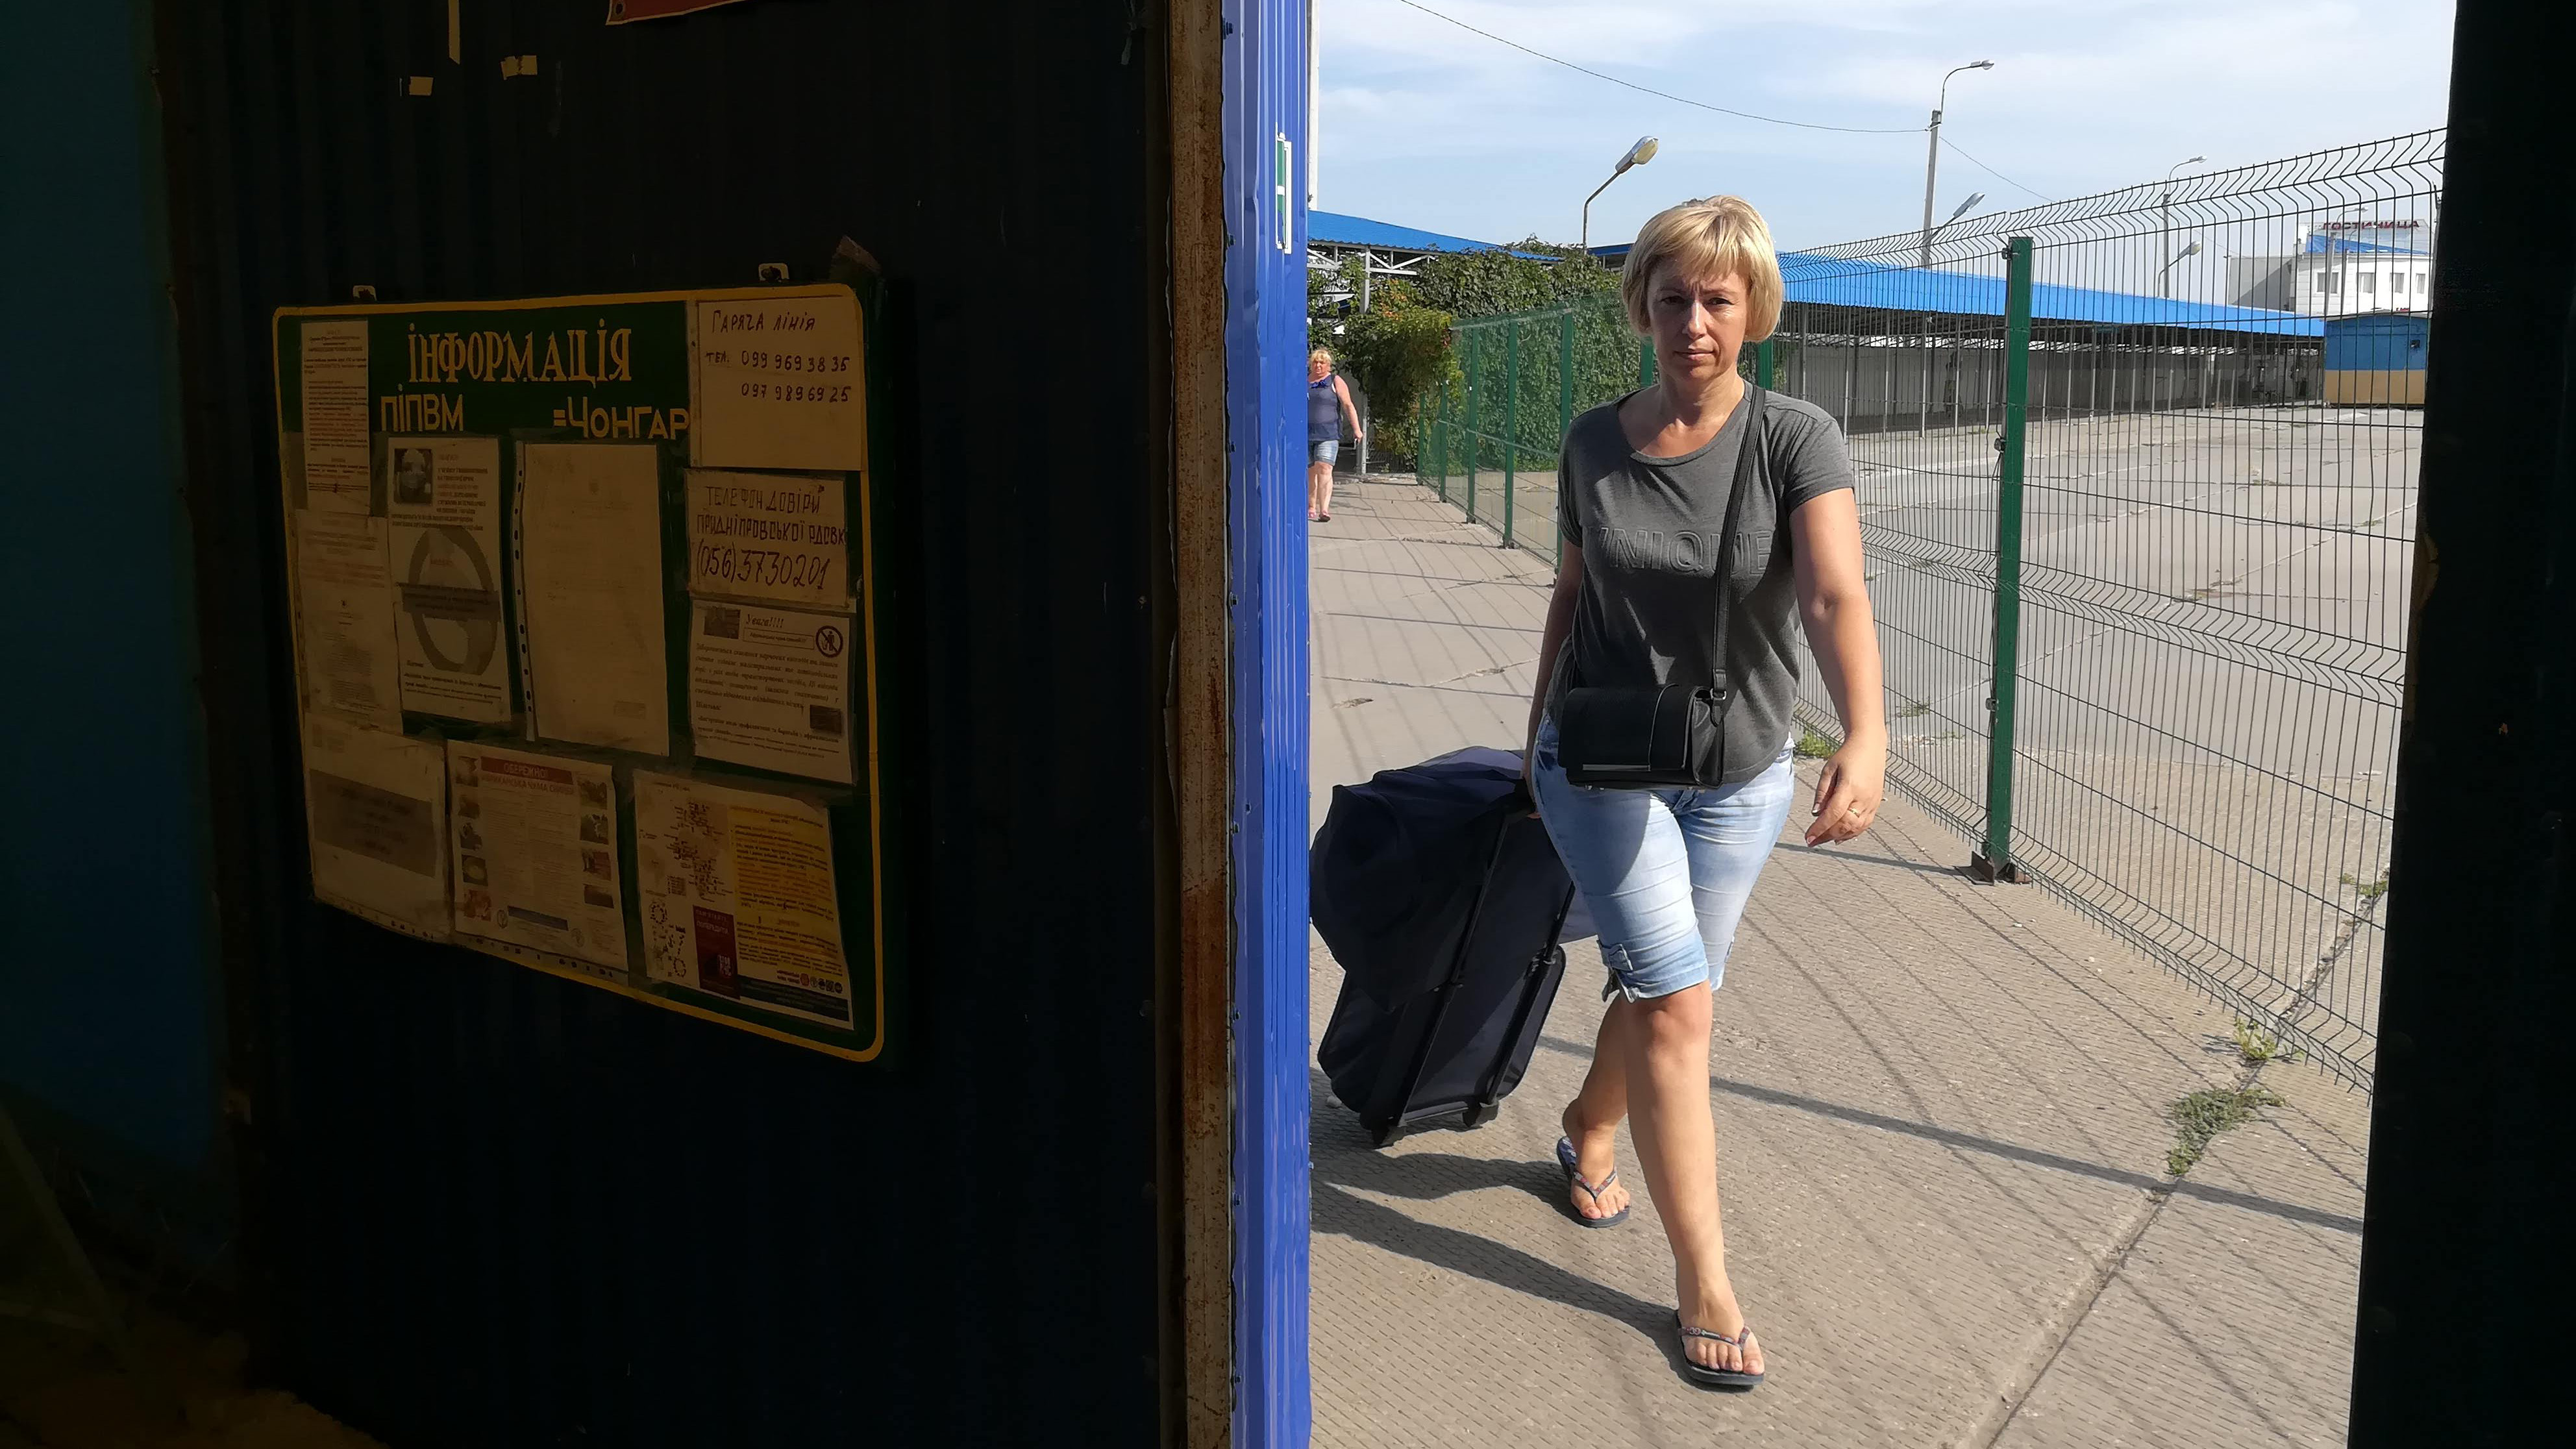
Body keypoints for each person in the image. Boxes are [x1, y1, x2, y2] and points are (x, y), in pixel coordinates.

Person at [1521, 195, 1886, 1391]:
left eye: (1717, 299)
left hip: (1738, 776)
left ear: (1753, 311)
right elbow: (1571, 592)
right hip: (1602, 765)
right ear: (1642, 305)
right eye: (1672, 296)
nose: (1693, 321)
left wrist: (1868, 732)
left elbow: (1831, 595)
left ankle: (1589, 1123)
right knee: (1678, 1005)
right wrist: (1531, 734)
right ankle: (1704, 1281)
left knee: (1669, 990)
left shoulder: (1794, 437)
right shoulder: (1593, 440)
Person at [1307, 348, 1362, 522]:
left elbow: (1348, 405)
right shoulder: (1305, 381)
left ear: (1328, 365)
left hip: (1328, 434)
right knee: (1311, 471)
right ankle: (1311, 507)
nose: (1318, 365)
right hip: (1306, 434)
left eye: (1322, 362)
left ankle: (1324, 510)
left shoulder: (1334, 381)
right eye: (1315, 362)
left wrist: (1357, 429)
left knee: (1324, 468)